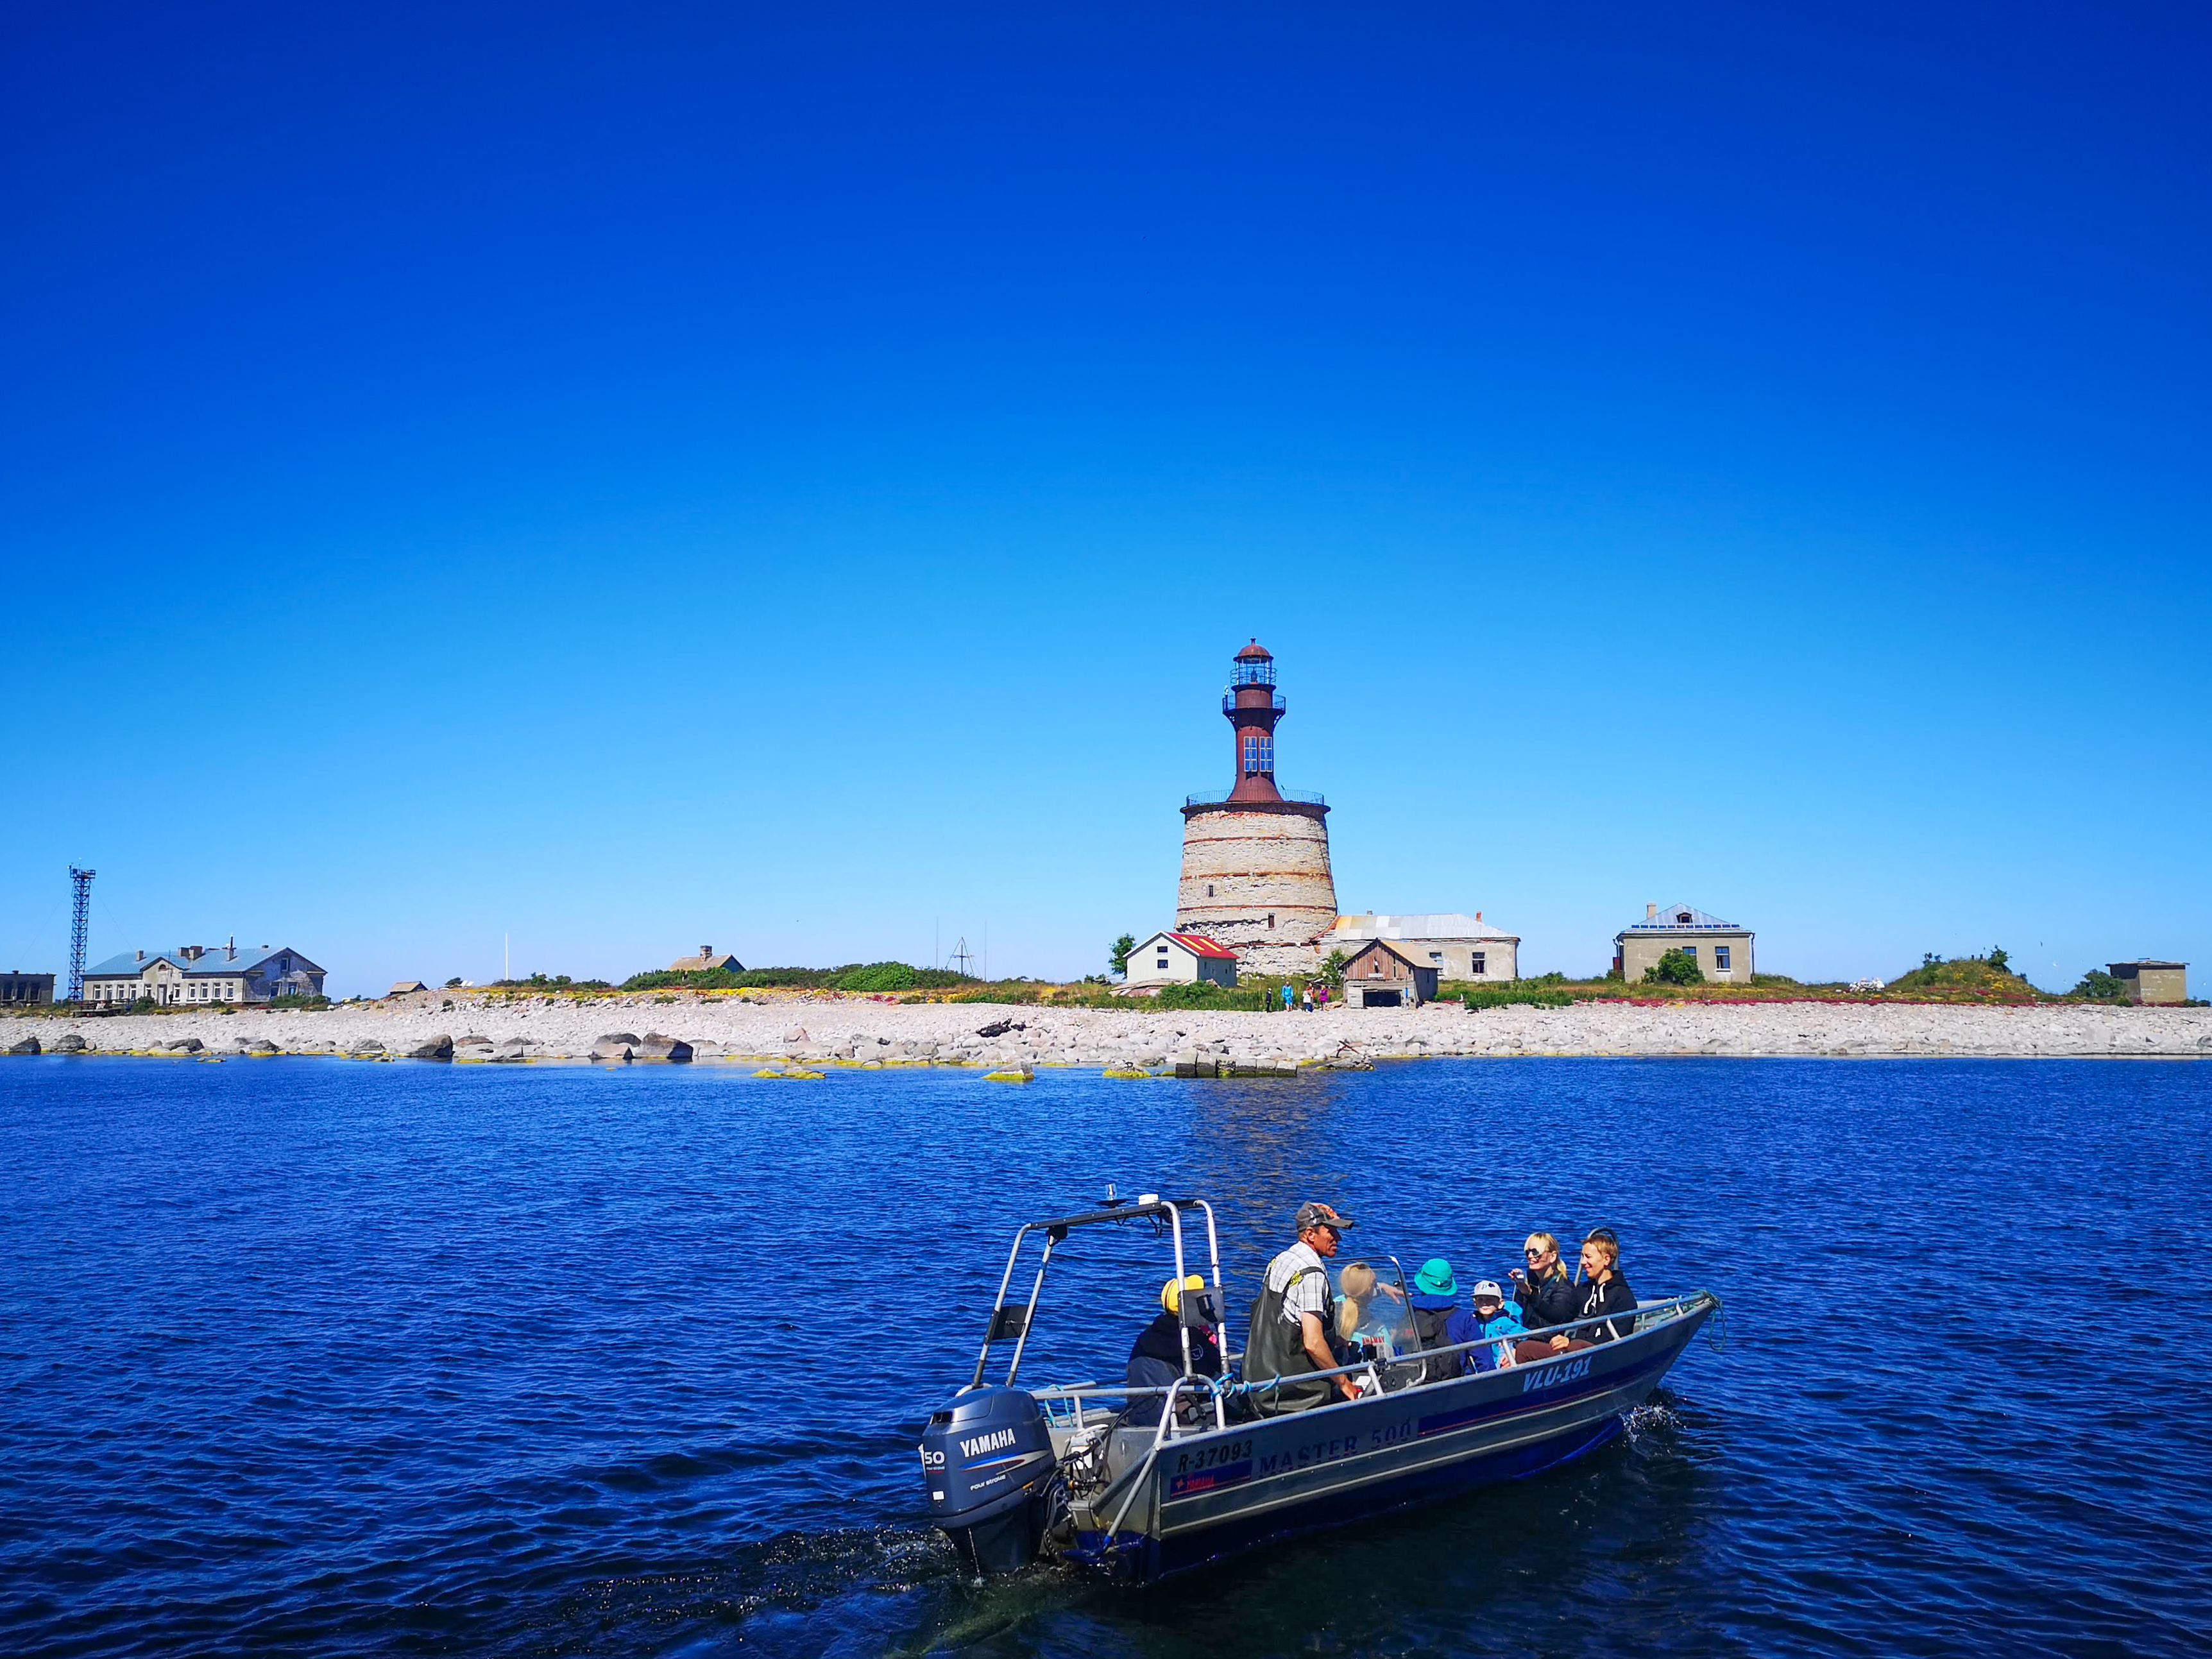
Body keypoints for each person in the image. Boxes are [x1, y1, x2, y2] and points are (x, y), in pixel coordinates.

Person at [1244, 1201, 1363, 1413]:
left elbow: (1286, 1319)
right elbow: (1313, 1343)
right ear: (1310, 1234)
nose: (1339, 1239)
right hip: (1295, 1395)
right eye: (1332, 1231)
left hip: (1259, 1383)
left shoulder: (1281, 1259)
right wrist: (1345, 1384)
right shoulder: (1313, 1274)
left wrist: (1336, 1340)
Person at [1513, 1234, 1635, 1361]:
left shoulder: (1623, 1296)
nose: (1583, 1262)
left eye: (1588, 1257)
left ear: (1606, 1260)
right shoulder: (1583, 1290)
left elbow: (1619, 1337)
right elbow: (1561, 1318)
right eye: (1582, 1257)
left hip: (1601, 1353)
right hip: (1573, 1349)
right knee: (1525, 1348)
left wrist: (1570, 1341)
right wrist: (1529, 1294)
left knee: (1576, 1346)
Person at [1124, 1273, 1221, 1427]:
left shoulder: (1146, 1337)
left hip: (1141, 1419)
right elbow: (1220, 1378)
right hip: (1179, 1422)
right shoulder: (1193, 1339)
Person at [1407, 1257, 1477, 1383]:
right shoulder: (1465, 1318)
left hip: (1413, 1383)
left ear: (1421, 1284)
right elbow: (1484, 1360)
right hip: (1455, 1385)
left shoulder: (1407, 1315)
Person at [1509, 1231, 1576, 1335]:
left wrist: (1530, 1294)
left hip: (1547, 1340)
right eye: (1528, 1252)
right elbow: (1519, 1312)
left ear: (1552, 1257)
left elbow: (1556, 1316)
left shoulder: (1563, 1286)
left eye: (1535, 1252)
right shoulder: (1530, 1282)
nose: (1530, 1256)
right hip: (1525, 1336)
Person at [1462, 1279, 1528, 1371]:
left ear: (1500, 1303)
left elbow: (1526, 1335)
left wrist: (1512, 1342)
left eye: (1489, 1299)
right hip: (1478, 1366)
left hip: (1499, 1365)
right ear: (1475, 1303)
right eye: (1480, 1299)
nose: (1485, 1303)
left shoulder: (1504, 1322)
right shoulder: (1472, 1322)